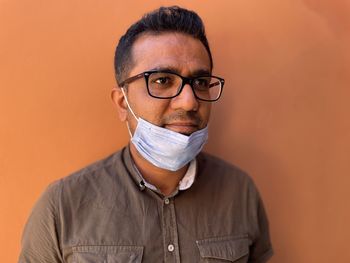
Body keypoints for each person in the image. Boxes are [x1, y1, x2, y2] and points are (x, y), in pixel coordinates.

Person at [19, 6, 273, 263]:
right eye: (162, 80)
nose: (188, 101)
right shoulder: (62, 207)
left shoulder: (241, 193)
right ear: (122, 103)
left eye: (200, 82)